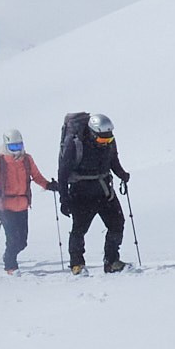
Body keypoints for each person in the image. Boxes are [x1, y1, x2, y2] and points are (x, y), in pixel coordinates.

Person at [59, 111, 131, 273]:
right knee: (79, 229)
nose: (106, 142)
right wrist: (64, 199)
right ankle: (77, 264)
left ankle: (111, 261)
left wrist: (122, 175)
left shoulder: (109, 141)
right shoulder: (76, 143)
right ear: (92, 133)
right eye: (102, 139)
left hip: (104, 191)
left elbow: (113, 161)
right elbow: (63, 173)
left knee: (117, 223)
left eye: (109, 138)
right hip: (81, 194)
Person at [0, 129, 53, 273]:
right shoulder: (0, 161)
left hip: (22, 205)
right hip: (5, 206)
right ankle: (10, 265)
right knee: (12, 238)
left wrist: (48, 185)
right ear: (6, 146)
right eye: (13, 147)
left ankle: (9, 257)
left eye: (19, 146)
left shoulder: (27, 160)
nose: (17, 151)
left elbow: (36, 176)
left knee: (22, 241)